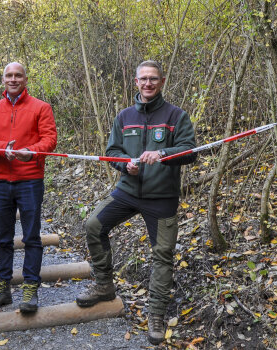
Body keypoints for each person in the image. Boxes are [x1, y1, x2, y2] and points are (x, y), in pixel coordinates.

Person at [75, 60, 197, 345]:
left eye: (153, 79)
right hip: (127, 191)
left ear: (162, 81)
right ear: (136, 82)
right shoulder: (124, 116)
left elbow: (190, 151)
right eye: (143, 79)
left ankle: (156, 314)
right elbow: (112, 151)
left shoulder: (176, 116)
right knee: (93, 224)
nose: (148, 84)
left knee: (163, 254)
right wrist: (123, 166)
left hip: (162, 198)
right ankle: (104, 286)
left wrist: (163, 153)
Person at [0, 62, 57, 313]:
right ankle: (2, 287)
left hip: (30, 180)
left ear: (25, 78)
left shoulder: (41, 107)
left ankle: (31, 288)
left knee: (31, 237)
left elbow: (50, 139)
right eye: (9, 75)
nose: (13, 79)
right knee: (3, 238)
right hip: (2, 180)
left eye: (18, 75)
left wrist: (30, 152)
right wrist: (4, 149)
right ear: (2, 79)